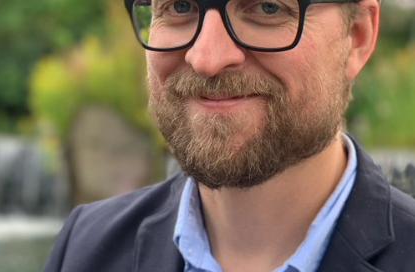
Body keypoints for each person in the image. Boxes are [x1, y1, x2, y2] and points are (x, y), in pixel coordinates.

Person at [44, 0, 415, 271]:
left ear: (357, 37)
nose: (207, 58)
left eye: (267, 8)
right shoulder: (86, 247)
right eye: (179, 6)